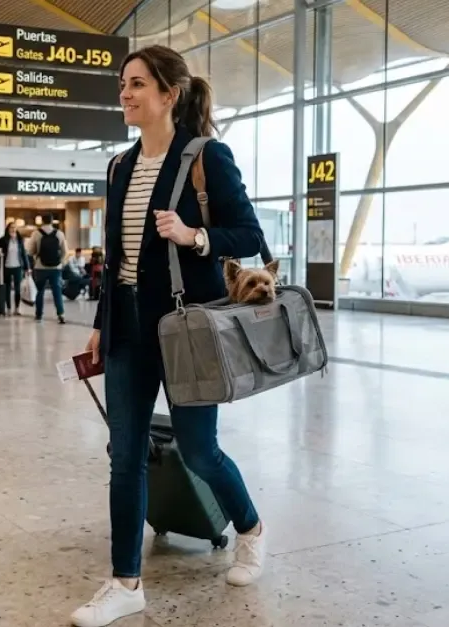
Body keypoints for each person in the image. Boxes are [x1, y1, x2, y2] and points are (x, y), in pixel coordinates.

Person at [71, 46, 268, 627]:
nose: (124, 94)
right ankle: (125, 581)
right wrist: (102, 327)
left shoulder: (206, 156)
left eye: (135, 84)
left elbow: (247, 234)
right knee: (124, 456)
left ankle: (251, 529)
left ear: (168, 94)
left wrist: (193, 235)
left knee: (200, 449)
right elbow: (118, 261)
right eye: (122, 84)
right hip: (130, 329)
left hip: (188, 328)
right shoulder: (118, 167)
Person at [26, 214, 68, 324]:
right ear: (52, 221)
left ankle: (39, 314)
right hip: (56, 267)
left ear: (42, 221)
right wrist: (61, 263)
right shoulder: (59, 234)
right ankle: (61, 314)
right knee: (57, 291)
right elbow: (65, 252)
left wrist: (36, 257)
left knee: (39, 291)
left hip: (40, 267)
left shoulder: (36, 234)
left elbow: (30, 251)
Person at [0, 222, 30, 315]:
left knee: (18, 289)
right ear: (8, 229)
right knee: (7, 288)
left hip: (18, 267)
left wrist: (27, 267)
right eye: (11, 227)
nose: (13, 229)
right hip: (7, 267)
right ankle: (9, 308)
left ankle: (17, 308)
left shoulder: (19, 240)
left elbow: (23, 254)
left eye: (15, 227)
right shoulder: (3, 240)